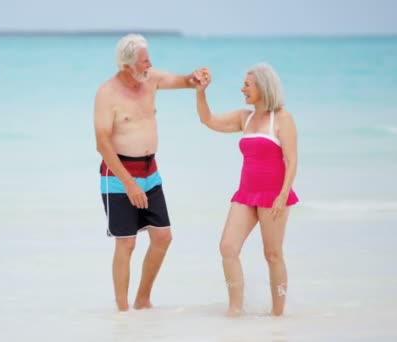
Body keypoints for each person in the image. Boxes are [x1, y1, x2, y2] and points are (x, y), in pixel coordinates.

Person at [93, 33, 208, 312]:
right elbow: (102, 144)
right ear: (126, 66)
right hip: (118, 175)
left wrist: (196, 78)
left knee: (163, 237)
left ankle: (142, 300)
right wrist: (129, 183)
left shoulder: (151, 79)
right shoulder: (107, 93)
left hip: (150, 171)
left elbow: (183, 81)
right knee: (127, 243)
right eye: (144, 61)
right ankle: (122, 310)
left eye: (149, 60)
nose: (149, 64)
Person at [194, 63, 299, 317]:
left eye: (247, 85)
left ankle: (277, 314)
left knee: (272, 254)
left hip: (274, 195)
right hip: (246, 194)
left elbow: (292, 160)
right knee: (227, 247)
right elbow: (208, 120)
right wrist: (201, 92)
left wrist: (283, 194)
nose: (242, 89)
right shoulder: (245, 117)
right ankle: (235, 310)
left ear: (263, 87)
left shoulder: (282, 118)